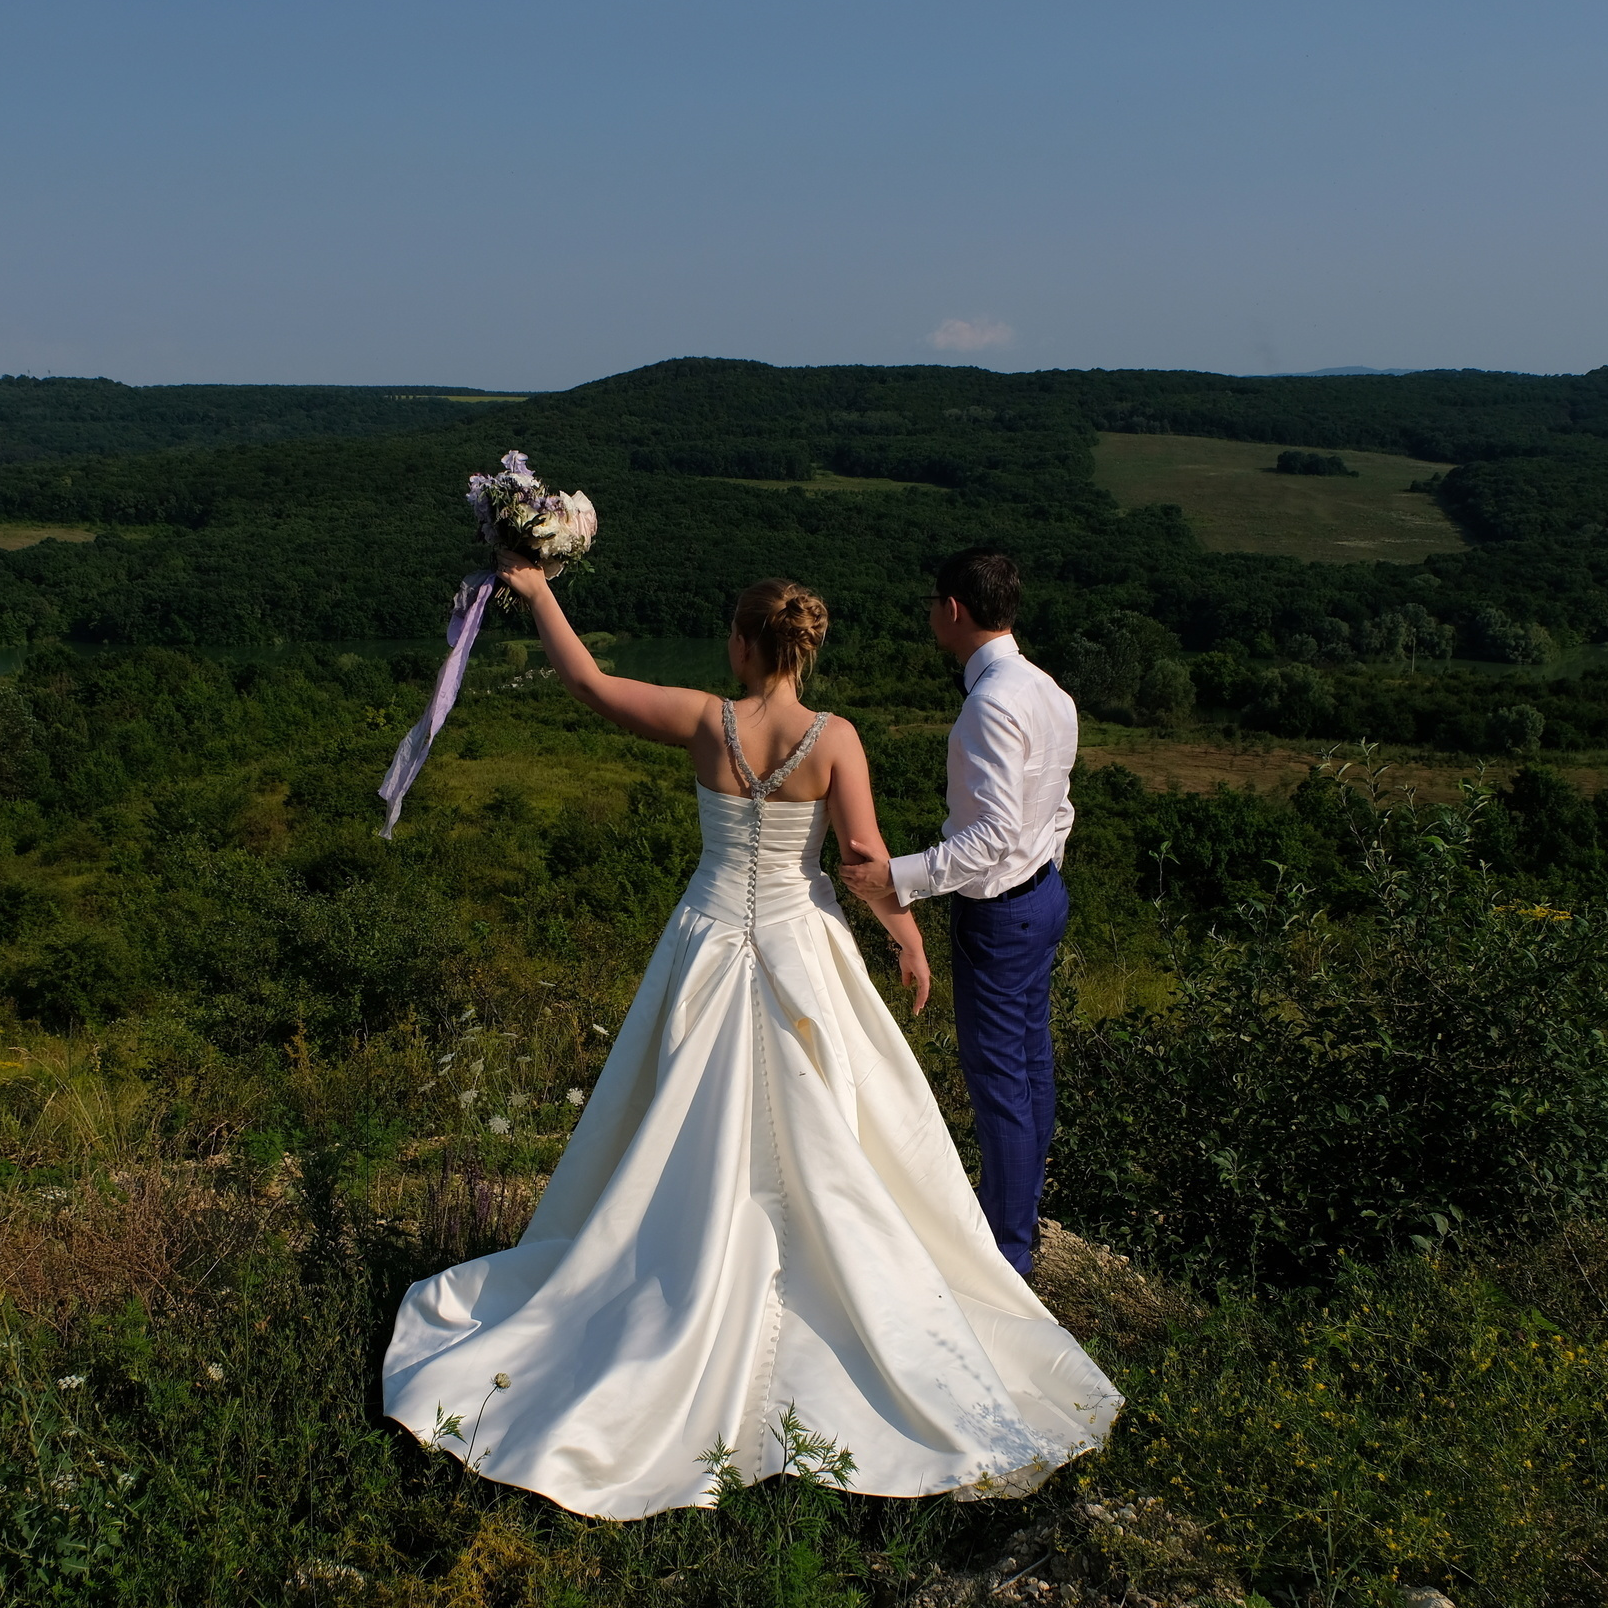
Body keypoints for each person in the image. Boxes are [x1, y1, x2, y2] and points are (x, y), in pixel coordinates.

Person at [381, 554, 1120, 1521]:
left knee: (677, 1122)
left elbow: (591, 684)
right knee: (843, 1132)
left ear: (742, 643)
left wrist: (538, 591)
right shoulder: (836, 738)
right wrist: (904, 935)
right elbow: (859, 860)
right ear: (803, 650)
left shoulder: (702, 720)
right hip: (800, 943)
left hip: (706, 940)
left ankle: (666, 1276)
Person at [840, 549, 1076, 1279]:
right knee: (1031, 1064)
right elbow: (1058, 807)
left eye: (933, 602)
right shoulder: (1049, 691)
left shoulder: (991, 704)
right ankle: (1019, 1205)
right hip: (1041, 896)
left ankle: (1009, 1248)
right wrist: (1044, 870)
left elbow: (992, 835)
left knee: (1001, 1078)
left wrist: (896, 876)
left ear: (954, 610)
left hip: (1003, 913)